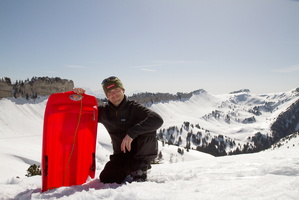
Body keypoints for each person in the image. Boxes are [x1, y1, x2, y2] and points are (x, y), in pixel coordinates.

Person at [74, 76, 163, 184]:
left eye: (117, 90)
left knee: (148, 127)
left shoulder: (134, 107)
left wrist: (131, 133)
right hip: (121, 155)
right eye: (110, 92)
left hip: (140, 152)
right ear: (106, 95)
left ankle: (140, 169)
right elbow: (81, 113)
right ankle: (131, 169)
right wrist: (78, 97)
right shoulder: (104, 112)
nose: (114, 94)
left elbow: (157, 120)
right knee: (106, 178)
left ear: (123, 90)